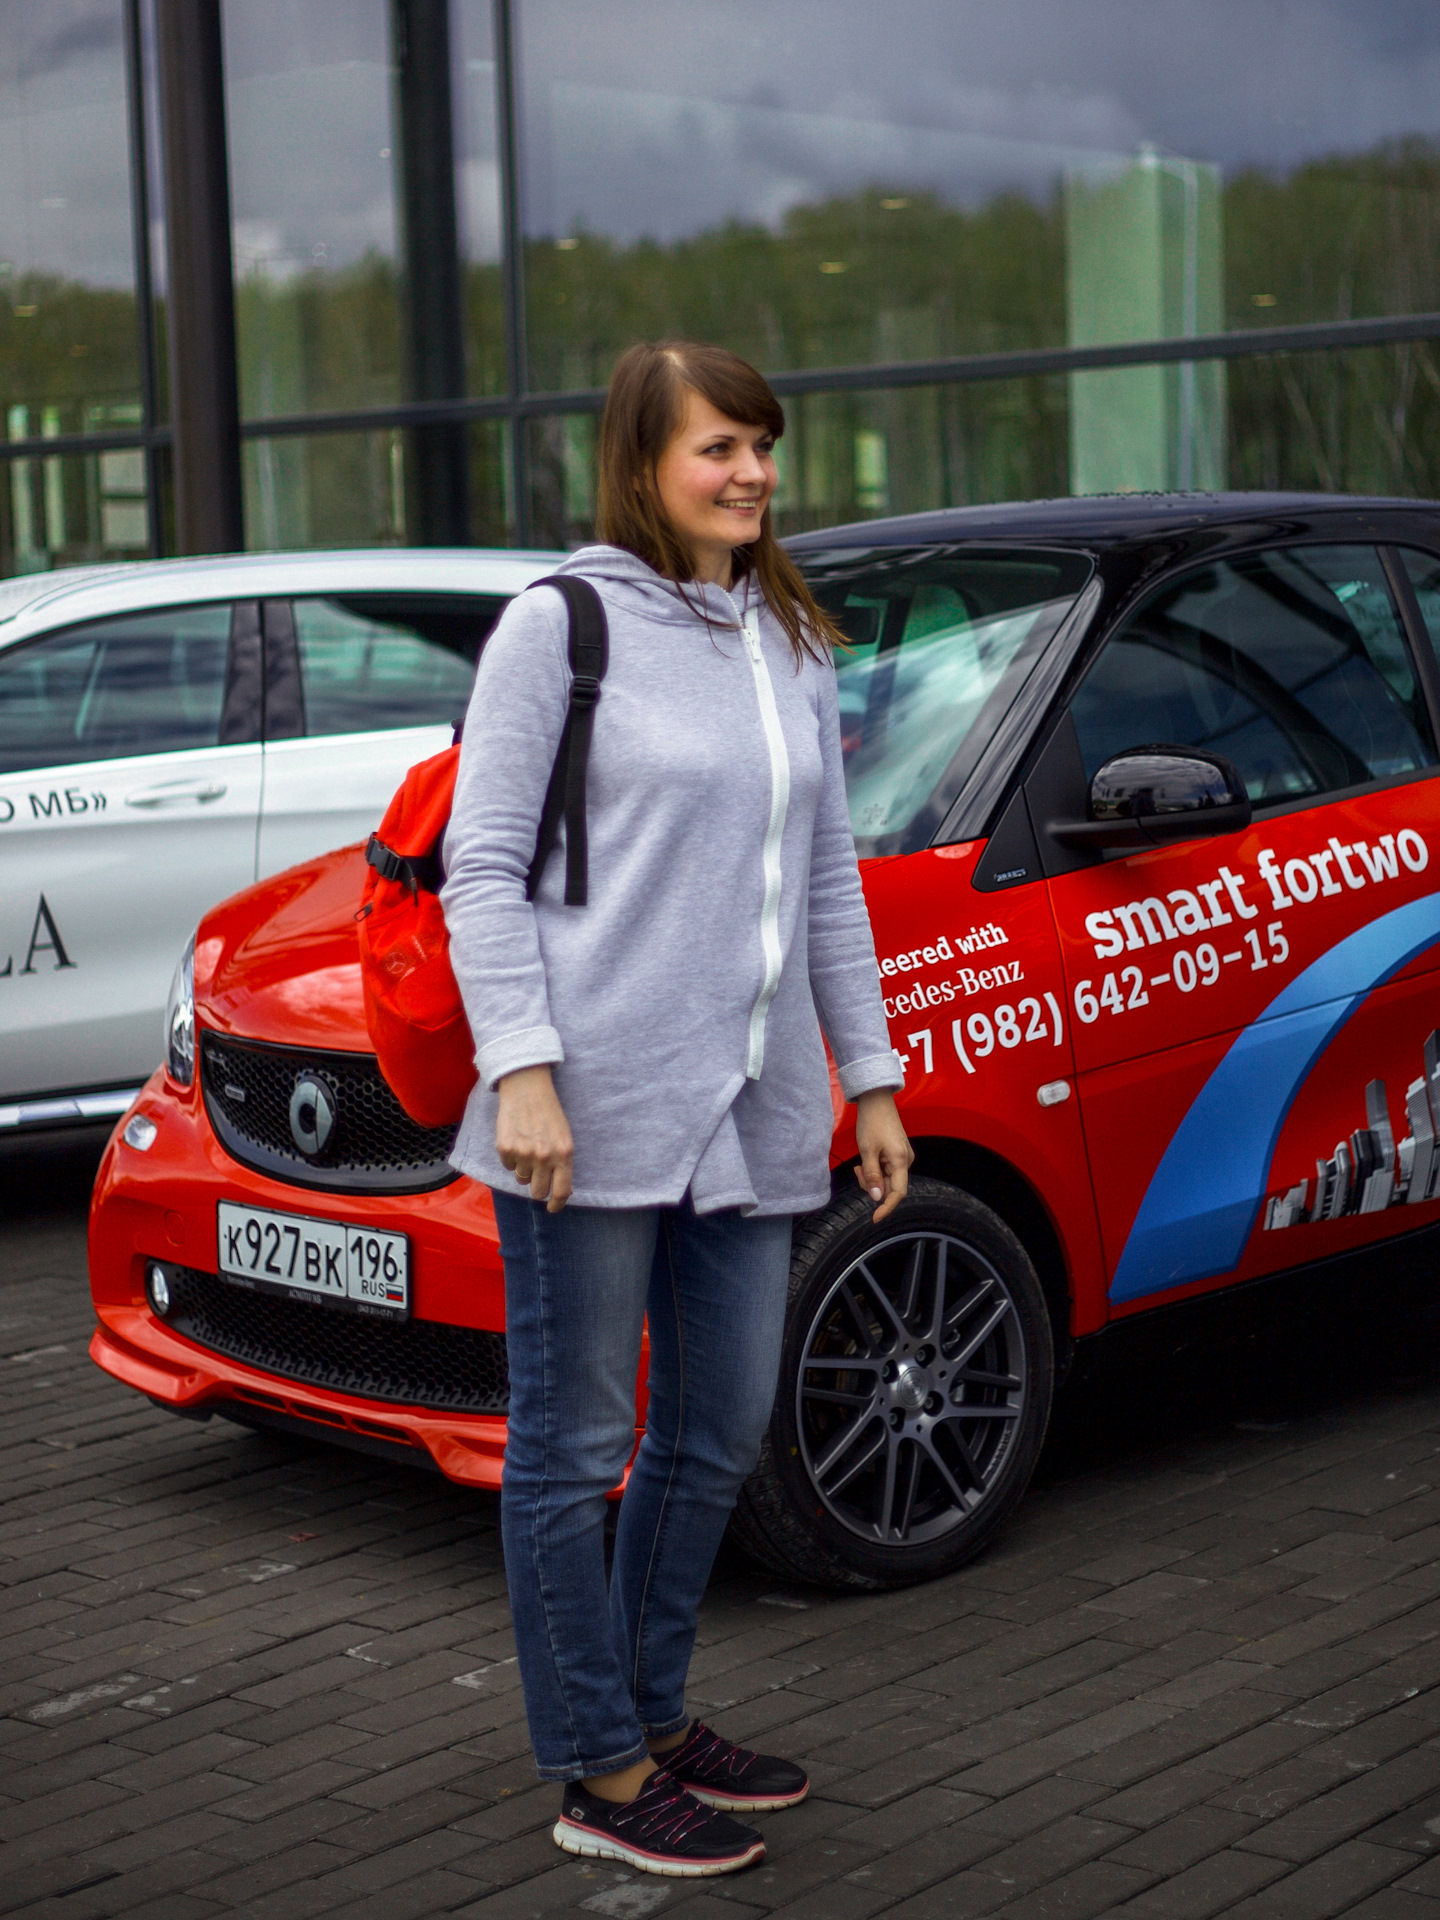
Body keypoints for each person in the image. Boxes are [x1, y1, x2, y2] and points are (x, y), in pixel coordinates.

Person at [440, 339, 913, 1878]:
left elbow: (828, 874)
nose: (754, 472)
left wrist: (874, 1077)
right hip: (585, 1107)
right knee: (572, 1445)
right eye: (720, 447)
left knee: (715, 1431)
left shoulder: (787, 631)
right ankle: (600, 1768)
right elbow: (482, 866)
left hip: (757, 1108)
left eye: (764, 444)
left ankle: (650, 1710)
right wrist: (521, 1065)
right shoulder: (557, 627)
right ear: (644, 463)